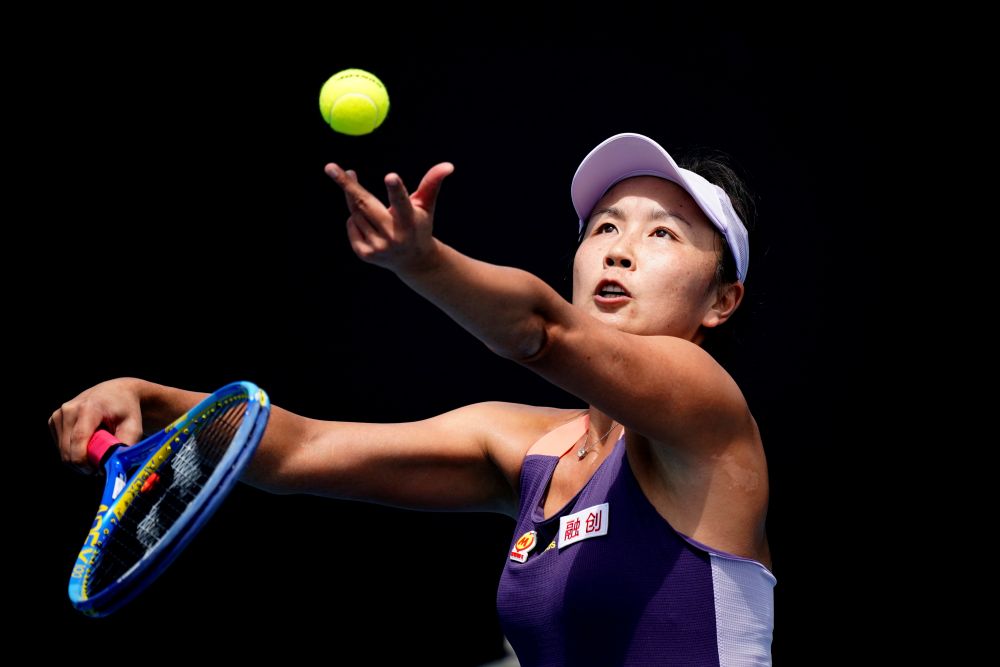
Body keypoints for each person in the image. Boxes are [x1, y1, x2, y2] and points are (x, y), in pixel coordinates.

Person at [51, 132, 774, 665]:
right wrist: (149, 399)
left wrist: (423, 261)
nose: (619, 249)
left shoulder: (709, 417)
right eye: (605, 226)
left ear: (722, 299)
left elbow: (542, 330)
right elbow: (297, 449)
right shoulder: (525, 448)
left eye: (663, 233)